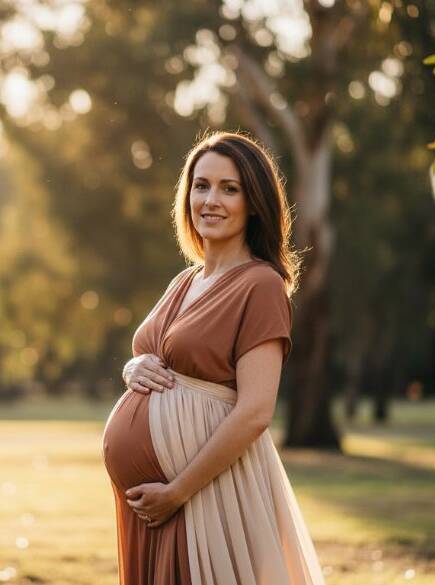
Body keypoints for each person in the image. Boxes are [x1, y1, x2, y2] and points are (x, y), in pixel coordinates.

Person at [101, 130, 326, 584]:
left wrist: (177, 491)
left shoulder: (260, 285)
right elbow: (152, 354)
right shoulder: (184, 281)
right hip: (154, 503)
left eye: (230, 188)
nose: (211, 200)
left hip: (202, 495)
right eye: (201, 186)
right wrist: (132, 367)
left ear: (255, 202)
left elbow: (255, 412)